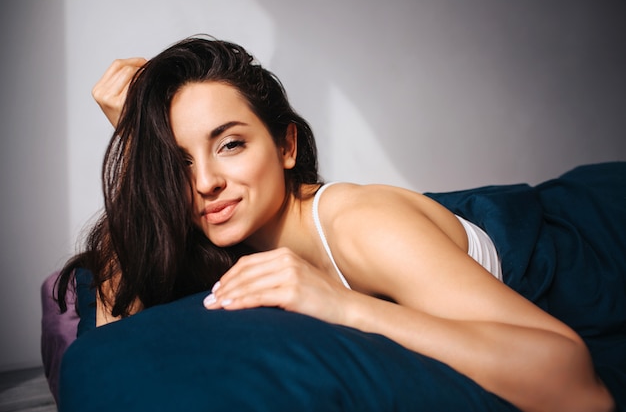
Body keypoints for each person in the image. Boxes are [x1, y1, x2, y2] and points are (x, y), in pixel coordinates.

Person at [55, 35, 615, 412]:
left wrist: (343, 306)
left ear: (287, 145)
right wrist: (136, 143)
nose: (204, 183)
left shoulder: (363, 226)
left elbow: (576, 383)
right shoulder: (234, 239)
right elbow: (116, 326)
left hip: (596, 232)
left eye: (230, 144)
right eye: (177, 164)